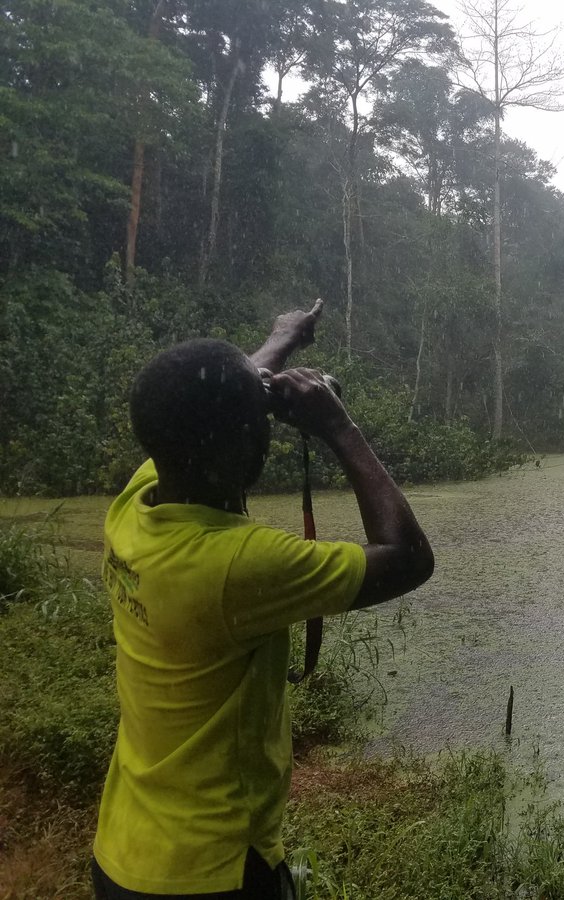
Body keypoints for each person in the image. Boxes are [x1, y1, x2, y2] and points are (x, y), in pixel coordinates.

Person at [90, 300, 434, 899]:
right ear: (237, 451)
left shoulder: (137, 500)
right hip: (212, 868)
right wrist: (336, 426)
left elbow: (199, 403)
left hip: (123, 852)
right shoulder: (237, 564)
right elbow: (408, 557)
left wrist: (282, 340)